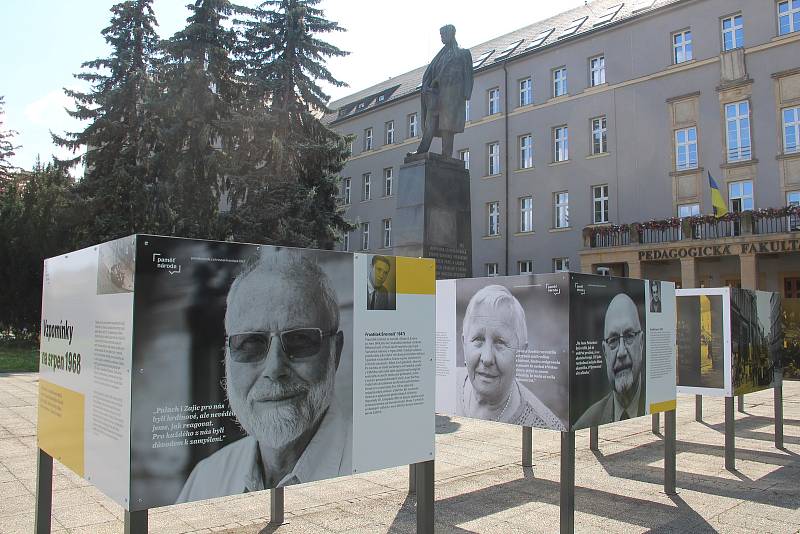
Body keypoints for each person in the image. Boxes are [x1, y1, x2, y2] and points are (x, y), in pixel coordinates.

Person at [176, 250, 351, 503]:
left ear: (336, 352)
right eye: (250, 344)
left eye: (300, 340)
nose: (274, 369)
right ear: (227, 356)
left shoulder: (374, 462)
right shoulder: (207, 478)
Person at [457, 285, 565, 430]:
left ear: (521, 353)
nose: (487, 358)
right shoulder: (444, 385)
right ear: (464, 343)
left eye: (500, 342)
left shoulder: (547, 427)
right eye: (478, 339)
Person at [575, 293, 645, 427]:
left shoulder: (655, 399)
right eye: (613, 340)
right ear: (605, 352)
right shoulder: (586, 422)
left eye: (629, 336)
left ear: (641, 343)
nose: (621, 352)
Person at [411, 24, 473, 159]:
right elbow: (430, 73)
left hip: (451, 95)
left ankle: (446, 155)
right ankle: (422, 150)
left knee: (447, 127)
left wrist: (465, 94)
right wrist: (427, 86)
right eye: (441, 35)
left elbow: (467, 75)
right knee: (430, 123)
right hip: (435, 96)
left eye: (444, 35)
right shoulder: (439, 56)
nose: (442, 38)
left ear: (451, 34)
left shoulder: (462, 53)